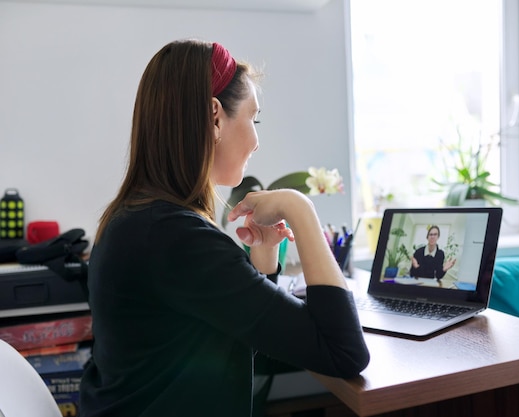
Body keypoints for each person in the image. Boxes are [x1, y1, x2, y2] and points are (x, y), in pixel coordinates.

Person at [78, 39, 370, 417]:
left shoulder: (134, 220)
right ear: (215, 117)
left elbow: (240, 340)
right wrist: (300, 207)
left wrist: (262, 262)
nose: (257, 140)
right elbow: (344, 352)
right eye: (254, 118)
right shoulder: (177, 239)